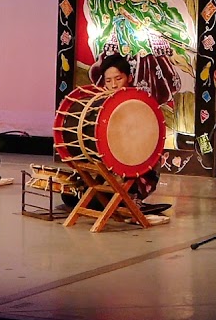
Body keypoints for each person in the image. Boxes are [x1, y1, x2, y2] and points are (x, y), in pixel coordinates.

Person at [59, 55, 164, 212]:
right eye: (108, 81)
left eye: (118, 79)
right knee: (69, 196)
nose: (113, 85)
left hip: (135, 171)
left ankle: (129, 199)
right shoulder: (102, 104)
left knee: (95, 202)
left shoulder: (141, 104)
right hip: (109, 171)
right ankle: (108, 198)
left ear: (129, 78)